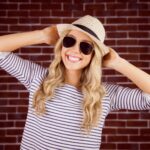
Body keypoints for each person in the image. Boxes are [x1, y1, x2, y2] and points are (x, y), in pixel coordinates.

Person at [0, 15, 150, 150]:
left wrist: (119, 63)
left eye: (85, 47)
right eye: (69, 41)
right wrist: (43, 35)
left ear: (94, 55)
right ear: (62, 45)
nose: (74, 50)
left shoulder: (105, 94)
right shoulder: (37, 78)